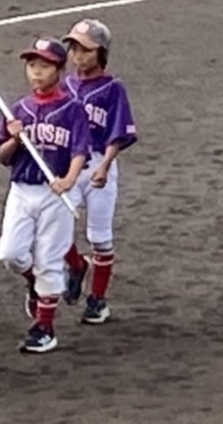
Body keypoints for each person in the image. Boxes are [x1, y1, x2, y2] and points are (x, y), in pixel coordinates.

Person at [0, 37, 90, 353]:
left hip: (55, 193)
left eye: (44, 66)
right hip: (21, 189)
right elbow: (2, 157)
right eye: (32, 65)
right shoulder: (19, 109)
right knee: (10, 254)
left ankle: (44, 328)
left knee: (49, 258)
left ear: (59, 70)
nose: (36, 72)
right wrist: (14, 139)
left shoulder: (72, 109)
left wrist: (69, 180)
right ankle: (34, 282)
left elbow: (79, 151)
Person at [59, 18, 138, 324]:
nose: (78, 56)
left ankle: (97, 299)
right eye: (74, 49)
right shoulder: (64, 85)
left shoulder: (112, 88)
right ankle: (77, 265)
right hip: (68, 165)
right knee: (56, 228)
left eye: (85, 50)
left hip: (97, 163)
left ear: (101, 53)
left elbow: (118, 131)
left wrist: (105, 166)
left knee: (100, 237)